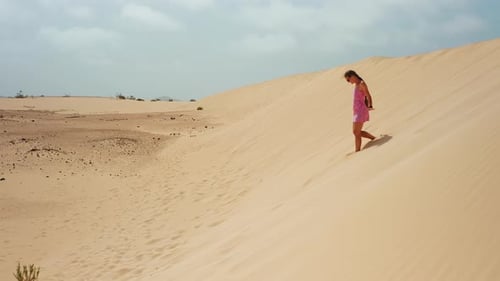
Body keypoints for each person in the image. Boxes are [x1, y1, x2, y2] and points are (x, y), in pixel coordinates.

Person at [344, 70, 376, 152]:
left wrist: (370, 105)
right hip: (356, 111)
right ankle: (373, 138)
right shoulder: (357, 84)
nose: (348, 82)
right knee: (356, 132)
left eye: (348, 79)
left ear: (353, 76)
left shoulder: (361, 84)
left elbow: (368, 95)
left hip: (361, 110)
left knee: (356, 132)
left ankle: (357, 150)